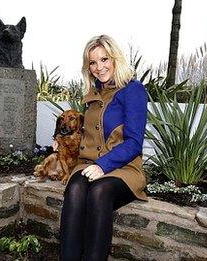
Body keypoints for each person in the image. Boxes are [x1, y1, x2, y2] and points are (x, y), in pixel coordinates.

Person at [59, 35, 148, 261]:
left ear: (115, 58)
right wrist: (60, 140)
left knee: (99, 192)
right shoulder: (92, 94)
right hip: (89, 164)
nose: (99, 67)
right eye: (92, 62)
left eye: (104, 59)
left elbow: (134, 143)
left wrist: (103, 165)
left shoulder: (133, 90)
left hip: (124, 168)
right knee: (75, 188)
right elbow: (87, 134)